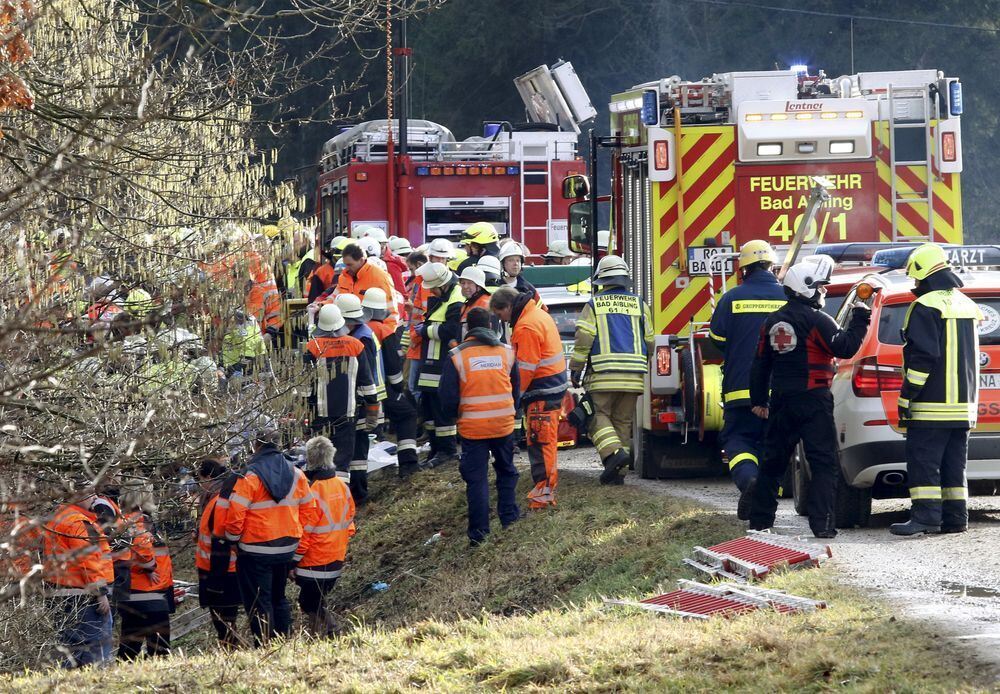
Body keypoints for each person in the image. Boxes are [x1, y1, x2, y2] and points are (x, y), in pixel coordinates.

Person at [748, 255, 871, 538]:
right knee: (823, 463)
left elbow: (760, 363)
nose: (823, 291)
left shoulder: (772, 322)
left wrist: (758, 401)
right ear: (806, 287)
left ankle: (759, 523)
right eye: (820, 286)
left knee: (772, 463)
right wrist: (861, 317)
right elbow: (846, 347)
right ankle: (823, 525)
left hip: (781, 401)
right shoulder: (818, 320)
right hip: (814, 401)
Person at [892, 243, 983, 536]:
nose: (914, 285)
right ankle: (956, 519)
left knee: (925, 465)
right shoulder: (966, 304)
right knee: (954, 467)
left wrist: (907, 396)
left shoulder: (925, 306)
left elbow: (924, 358)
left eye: (915, 279)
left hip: (931, 406)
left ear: (923, 275)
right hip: (963, 407)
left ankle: (926, 519)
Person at [219, 423, 315, 646]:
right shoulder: (298, 474)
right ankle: (285, 642)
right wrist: (294, 534)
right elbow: (310, 512)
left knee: (259, 602)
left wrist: (233, 541)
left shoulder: (249, 477)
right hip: (286, 549)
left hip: (254, 551)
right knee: (279, 598)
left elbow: (235, 516)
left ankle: (265, 646)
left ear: (256, 446)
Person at [708, 240, 786, 518]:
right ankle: (764, 502)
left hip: (740, 389)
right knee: (772, 444)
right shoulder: (788, 297)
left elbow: (716, 339)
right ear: (772, 266)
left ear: (743, 270)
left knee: (739, 440)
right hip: (779, 391)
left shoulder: (731, 298)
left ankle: (748, 482)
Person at [569, 255, 653, 485]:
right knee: (622, 421)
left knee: (597, 416)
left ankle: (614, 454)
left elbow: (584, 338)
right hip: (634, 376)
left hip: (603, 375)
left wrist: (575, 368)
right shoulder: (640, 304)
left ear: (601, 281)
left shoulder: (594, 305)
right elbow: (650, 341)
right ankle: (618, 473)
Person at [440, 308, 521, 544]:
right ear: (492, 326)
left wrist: (456, 417)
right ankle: (509, 517)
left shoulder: (456, 355)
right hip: (503, 425)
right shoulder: (507, 352)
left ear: (467, 328)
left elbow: (448, 397)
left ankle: (479, 534)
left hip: (472, 428)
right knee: (506, 471)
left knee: (477, 480)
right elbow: (515, 390)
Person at [490, 286, 567, 507]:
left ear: (507, 307)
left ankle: (543, 496)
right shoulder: (537, 313)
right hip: (551, 387)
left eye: (499, 314)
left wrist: (513, 398)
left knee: (541, 443)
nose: (501, 320)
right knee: (544, 441)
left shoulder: (525, 326)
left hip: (542, 391)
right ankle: (544, 491)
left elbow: (524, 369)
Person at [303, 304, 376, 497]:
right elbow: (367, 382)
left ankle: (320, 499)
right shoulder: (355, 345)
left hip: (320, 415)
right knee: (342, 461)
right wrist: (373, 410)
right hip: (348, 414)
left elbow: (304, 387)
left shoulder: (312, 347)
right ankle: (341, 500)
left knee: (320, 460)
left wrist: (304, 415)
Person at [41, 486, 114, 668]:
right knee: (94, 654)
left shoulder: (59, 518)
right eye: (91, 493)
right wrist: (101, 593)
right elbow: (88, 560)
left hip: (61, 594)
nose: (95, 497)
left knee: (71, 653)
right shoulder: (77, 522)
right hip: (82, 597)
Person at [294, 436, 356, 635]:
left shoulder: (312, 491)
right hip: (336, 557)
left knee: (309, 602)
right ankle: (320, 637)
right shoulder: (342, 486)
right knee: (314, 601)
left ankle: (330, 632)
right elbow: (350, 526)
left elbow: (305, 533)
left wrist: (292, 560)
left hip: (314, 561)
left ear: (309, 458)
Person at [362, 288, 420, 478]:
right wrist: (398, 386)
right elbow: (393, 366)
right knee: (407, 415)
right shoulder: (384, 330)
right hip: (382, 387)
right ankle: (408, 464)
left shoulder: (357, 328)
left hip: (359, 389)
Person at [334, 294, 385, 503]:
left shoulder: (360, 339)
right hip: (364, 399)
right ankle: (356, 493)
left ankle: (357, 494)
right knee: (356, 450)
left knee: (358, 450)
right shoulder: (363, 333)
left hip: (363, 401)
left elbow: (365, 376)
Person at [116, 481, 174, 659]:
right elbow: (142, 549)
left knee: (130, 645)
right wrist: (150, 566)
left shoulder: (123, 520)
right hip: (147, 591)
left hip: (139, 591)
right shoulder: (137, 521)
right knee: (158, 648)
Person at [416, 262, 465, 467]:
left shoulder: (456, 299)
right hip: (431, 361)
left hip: (444, 361)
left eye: (433, 287)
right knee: (428, 405)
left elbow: (451, 331)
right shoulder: (444, 296)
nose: (431, 291)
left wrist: (424, 330)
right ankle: (436, 447)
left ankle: (447, 450)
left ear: (442, 284)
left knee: (441, 407)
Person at [195, 458, 241, 649]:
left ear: (208, 477)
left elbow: (220, 541)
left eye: (201, 480)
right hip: (220, 569)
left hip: (220, 571)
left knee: (224, 620)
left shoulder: (218, 501)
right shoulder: (218, 498)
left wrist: (215, 582)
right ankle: (231, 649)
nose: (200, 486)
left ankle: (231, 651)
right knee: (225, 621)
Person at [336, 242, 398, 325]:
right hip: (348, 328)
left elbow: (391, 310)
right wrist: (321, 305)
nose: (347, 268)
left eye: (350, 264)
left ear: (361, 260)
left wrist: (386, 334)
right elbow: (335, 297)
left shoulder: (380, 278)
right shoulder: (344, 277)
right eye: (345, 264)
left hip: (371, 330)